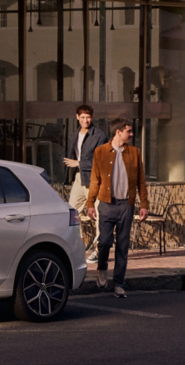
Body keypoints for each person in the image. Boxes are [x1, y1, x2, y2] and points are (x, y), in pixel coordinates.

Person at [86, 117, 148, 298]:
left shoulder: (134, 152)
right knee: (104, 241)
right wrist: (90, 203)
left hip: (126, 205)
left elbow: (141, 181)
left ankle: (119, 284)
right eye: (128, 131)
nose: (131, 134)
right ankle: (102, 267)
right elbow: (95, 180)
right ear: (118, 132)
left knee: (122, 245)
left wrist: (144, 204)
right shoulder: (101, 151)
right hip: (106, 204)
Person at [64, 105, 108, 264]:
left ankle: (98, 250)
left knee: (98, 215)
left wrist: (79, 163)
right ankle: (80, 243)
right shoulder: (75, 134)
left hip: (94, 180)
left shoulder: (99, 136)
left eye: (88, 117)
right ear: (77, 117)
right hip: (79, 178)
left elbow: (101, 160)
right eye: (82, 117)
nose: (85, 120)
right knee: (71, 212)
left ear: (92, 117)